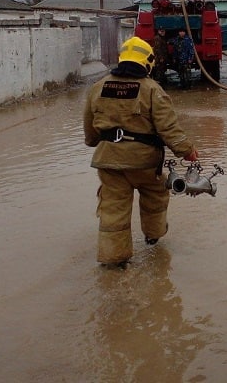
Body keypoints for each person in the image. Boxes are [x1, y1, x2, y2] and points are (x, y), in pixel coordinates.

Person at [83, 36, 199, 267]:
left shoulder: (98, 87)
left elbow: (90, 128)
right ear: (148, 62)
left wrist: (96, 141)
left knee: (113, 208)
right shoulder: (151, 89)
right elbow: (168, 127)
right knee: (155, 196)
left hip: (108, 162)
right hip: (144, 164)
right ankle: (153, 237)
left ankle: (113, 259)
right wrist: (187, 151)